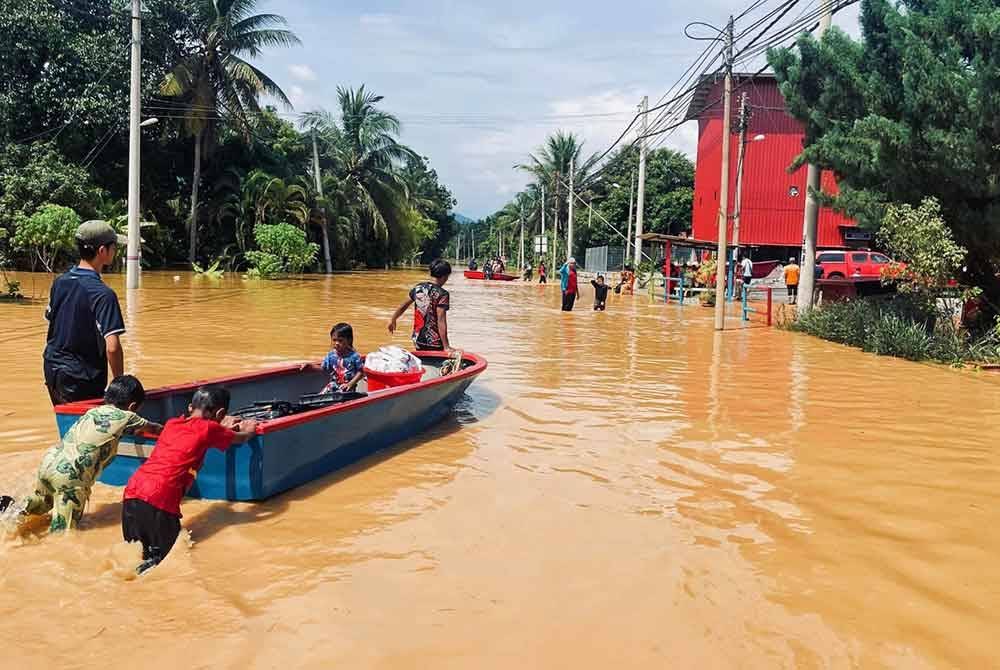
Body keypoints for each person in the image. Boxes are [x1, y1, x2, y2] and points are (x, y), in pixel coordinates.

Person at [121, 386, 258, 573]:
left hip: (133, 489)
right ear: (221, 413)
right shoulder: (210, 428)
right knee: (163, 561)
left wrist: (220, 426)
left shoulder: (171, 424)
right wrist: (249, 428)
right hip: (160, 495)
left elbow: (194, 434)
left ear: (189, 408)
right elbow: (240, 439)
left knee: (135, 555)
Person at [0, 375, 162, 531]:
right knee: (64, 532)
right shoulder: (128, 416)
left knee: (43, 502)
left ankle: (12, 508)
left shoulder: (92, 412)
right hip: (71, 476)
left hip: (50, 461)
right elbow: (155, 429)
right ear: (133, 407)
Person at [43, 220, 129, 406]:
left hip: (52, 369)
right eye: (114, 247)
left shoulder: (60, 282)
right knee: (87, 432)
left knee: (69, 428)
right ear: (102, 251)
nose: (115, 251)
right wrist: (120, 384)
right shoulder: (103, 294)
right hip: (82, 377)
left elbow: (54, 324)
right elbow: (112, 347)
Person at [388, 259, 452, 351]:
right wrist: (446, 347)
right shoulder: (443, 294)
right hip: (434, 343)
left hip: (417, 340)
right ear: (445, 276)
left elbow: (403, 306)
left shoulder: (418, 288)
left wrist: (393, 319)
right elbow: (441, 320)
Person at [321, 323, 364, 393]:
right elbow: (323, 368)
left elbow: (362, 372)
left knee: (341, 394)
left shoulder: (354, 356)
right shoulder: (331, 355)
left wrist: (350, 384)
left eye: (340, 340)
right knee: (322, 395)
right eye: (334, 340)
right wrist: (310, 366)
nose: (336, 343)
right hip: (333, 385)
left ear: (349, 340)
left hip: (348, 388)